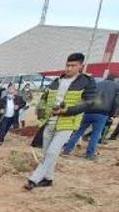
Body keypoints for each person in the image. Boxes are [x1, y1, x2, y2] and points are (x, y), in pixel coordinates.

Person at [25, 53, 97, 190]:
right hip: (50, 120)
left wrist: (67, 110)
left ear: (80, 66)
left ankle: (34, 179)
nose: (69, 68)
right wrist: (41, 110)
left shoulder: (86, 81)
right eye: (67, 65)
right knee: (47, 153)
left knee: (52, 152)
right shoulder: (57, 80)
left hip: (67, 122)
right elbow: (45, 98)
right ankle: (48, 178)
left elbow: (89, 102)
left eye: (73, 66)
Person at [62, 73, 119, 159]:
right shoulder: (117, 87)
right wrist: (112, 114)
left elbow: (86, 96)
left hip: (88, 110)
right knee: (96, 134)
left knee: (78, 132)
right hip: (102, 113)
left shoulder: (97, 84)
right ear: (115, 79)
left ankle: (66, 151)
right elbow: (117, 101)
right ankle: (90, 154)